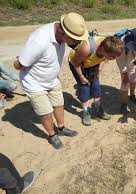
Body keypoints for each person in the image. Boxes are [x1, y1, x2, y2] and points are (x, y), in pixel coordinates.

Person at [13, 12, 88, 149]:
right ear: (64, 33)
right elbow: (19, 65)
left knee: (59, 103)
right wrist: (18, 62)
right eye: (75, 39)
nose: (78, 43)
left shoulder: (61, 34)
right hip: (34, 82)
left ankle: (61, 128)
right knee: (45, 111)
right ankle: (52, 135)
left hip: (51, 78)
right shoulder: (40, 41)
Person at [69, 35, 124, 126]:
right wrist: (81, 76)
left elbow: (103, 58)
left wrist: (99, 70)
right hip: (79, 64)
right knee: (84, 87)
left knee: (95, 85)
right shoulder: (87, 48)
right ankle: (85, 111)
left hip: (92, 63)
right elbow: (75, 62)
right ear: (102, 49)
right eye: (112, 57)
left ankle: (98, 108)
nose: (113, 59)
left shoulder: (108, 45)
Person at [115, 28, 136, 115]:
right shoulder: (120, 46)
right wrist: (125, 74)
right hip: (123, 59)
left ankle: (132, 96)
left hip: (134, 60)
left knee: (134, 79)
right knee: (125, 81)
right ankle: (124, 104)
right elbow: (122, 65)